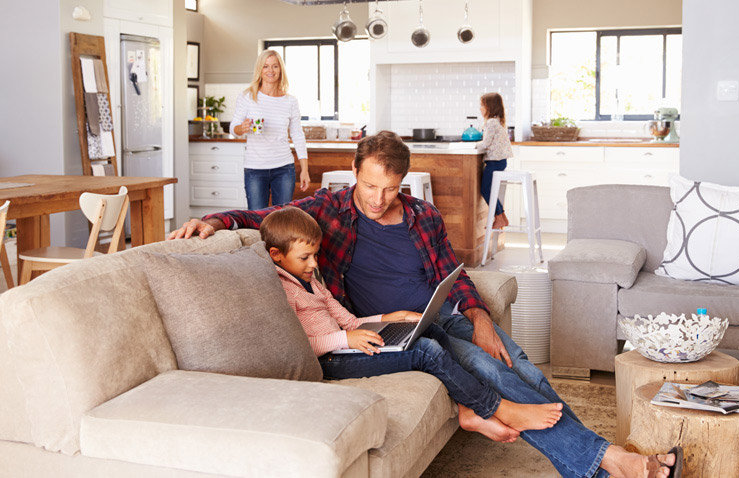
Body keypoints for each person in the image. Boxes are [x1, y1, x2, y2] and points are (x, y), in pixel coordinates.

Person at [170, 131, 682, 478]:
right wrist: (214, 220)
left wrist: (479, 316)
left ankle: (601, 461)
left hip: (444, 318)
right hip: (396, 330)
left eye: (389, 189)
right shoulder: (328, 210)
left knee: (519, 365)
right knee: (497, 375)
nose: (377, 198)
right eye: (370, 186)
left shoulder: (423, 216)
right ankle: (615, 461)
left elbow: (450, 276)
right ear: (354, 172)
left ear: (403, 184)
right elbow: (265, 215)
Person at [261, 206, 565, 443]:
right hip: (331, 361)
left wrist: (390, 318)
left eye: (315, 255)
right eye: (305, 257)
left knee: (429, 327)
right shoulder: (282, 289)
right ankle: (493, 408)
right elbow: (299, 346)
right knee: (425, 352)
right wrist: (344, 340)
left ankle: (467, 410)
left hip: (347, 346)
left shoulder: (310, 279)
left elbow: (350, 321)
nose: (314, 264)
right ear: (276, 254)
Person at [230, 49, 310, 209]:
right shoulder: (247, 97)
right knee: (256, 221)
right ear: (260, 69)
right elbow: (233, 129)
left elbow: (297, 135)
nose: (270, 71)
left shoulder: (290, 101)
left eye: (275, 66)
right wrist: (242, 128)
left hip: (284, 168)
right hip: (255, 169)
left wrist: (304, 170)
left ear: (281, 69)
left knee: (281, 222)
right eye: (266, 66)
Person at [477, 92, 513, 231]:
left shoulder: (491, 122)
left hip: (494, 162)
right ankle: (502, 217)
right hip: (499, 161)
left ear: (489, 107)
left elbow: (486, 143)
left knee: (486, 190)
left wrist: (472, 145)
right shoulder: (497, 121)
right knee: (489, 189)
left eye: (482, 105)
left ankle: (498, 217)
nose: (480, 108)